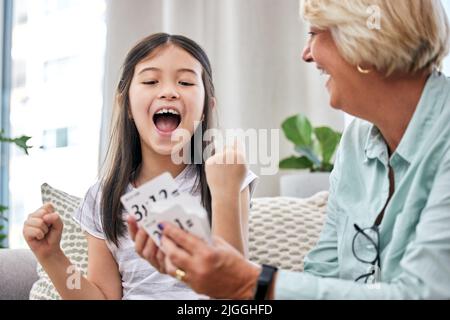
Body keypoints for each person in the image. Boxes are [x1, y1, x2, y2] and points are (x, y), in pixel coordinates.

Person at [137, 0, 450, 299]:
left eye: (314, 33)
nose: (306, 54)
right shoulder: (356, 145)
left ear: (367, 40)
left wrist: (248, 282)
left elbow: (424, 294)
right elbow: (323, 274)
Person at [23, 33, 257, 300]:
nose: (169, 91)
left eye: (185, 82)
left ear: (206, 107)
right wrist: (52, 257)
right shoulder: (103, 198)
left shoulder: (227, 178)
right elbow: (102, 297)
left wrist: (225, 194)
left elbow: (236, 296)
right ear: (127, 106)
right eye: (150, 81)